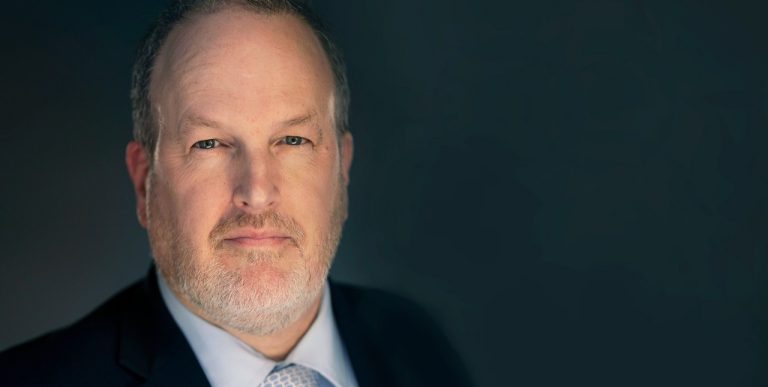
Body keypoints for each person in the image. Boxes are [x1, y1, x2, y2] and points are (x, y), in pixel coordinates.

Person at [0, 1, 470, 386]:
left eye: (293, 141)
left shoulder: (417, 343)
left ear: (342, 169)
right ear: (145, 181)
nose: (258, 191)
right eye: (209, 144)